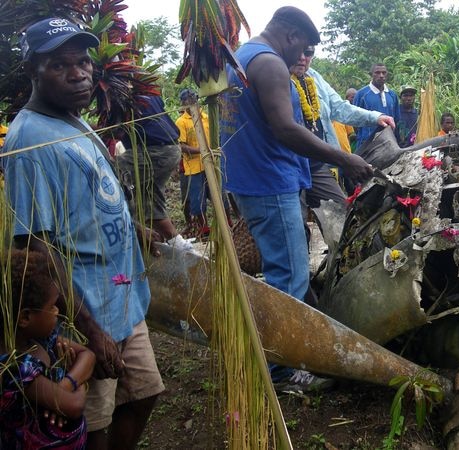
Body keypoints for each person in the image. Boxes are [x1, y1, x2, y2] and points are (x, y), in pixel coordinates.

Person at [2, 17, 164, 449]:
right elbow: (35, 245)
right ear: (34, 70)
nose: (79, 73)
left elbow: (89, 196)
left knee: (145, 393)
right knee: (92, 423)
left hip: (121, 298)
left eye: (83, 62)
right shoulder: (27, 143)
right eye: (60, 65)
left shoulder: (72, 118)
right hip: (85, 310)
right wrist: (89, 330)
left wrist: (136, 229)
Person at [218, 7, 372, 390]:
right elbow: (285, 128)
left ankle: (285, 351)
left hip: (252, 180)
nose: (301, 56)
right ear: (289, 35)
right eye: (302, 47)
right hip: (270, 183)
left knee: (283, 271)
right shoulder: (269, 64)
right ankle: (280, 372)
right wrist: (343, 157)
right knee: (288, 276)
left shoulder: (241, 56)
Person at [1, 249, 96, 449]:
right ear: (25, 317)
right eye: (52, 306)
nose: (57, 311)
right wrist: (75, 377)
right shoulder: (15, 369)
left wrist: (64, 387)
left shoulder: (40, 339)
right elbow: (75, 406)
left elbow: (88, 355)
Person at [290, 46, 393, 209]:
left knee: (342, 212)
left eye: (308, 53)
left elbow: (339, 108)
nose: (302, 57)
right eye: (298, 51)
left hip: (317, 164)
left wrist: (376, 117)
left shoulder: (314, 77)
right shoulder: (278, 77)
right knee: (297, 226)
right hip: (290, 165)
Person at [117, 94, 183, 243]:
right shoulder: (150, 92)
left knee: (108, 175)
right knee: (151, 207)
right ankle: (180, 247)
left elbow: (116, 130)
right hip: (172, 150)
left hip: (155, 151)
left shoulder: (119, 96)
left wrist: (87, 130)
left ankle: (129, 230)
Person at [174, 88, 211, 238]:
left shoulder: (206, 117)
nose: (192, 101)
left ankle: (227, 222)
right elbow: (181, 145)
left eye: (194, 98)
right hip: (192, 168)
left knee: (219, 196)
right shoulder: (181, 122)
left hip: (209, 163)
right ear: (183, 103)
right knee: (196, 200)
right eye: (188, 99)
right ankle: (203, 229)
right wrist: (201, 150)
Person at [353, 63, 400, 149]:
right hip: (367, 144)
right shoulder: (362, 95)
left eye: (384, 72)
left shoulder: (392, 95)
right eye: (377, 73)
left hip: (388, 143)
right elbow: (355, 120)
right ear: (371, 74)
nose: (381, 75)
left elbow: (396, 119)